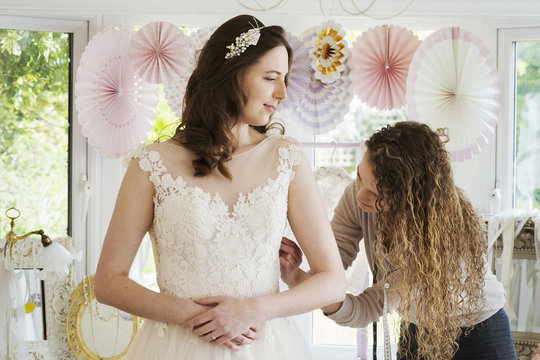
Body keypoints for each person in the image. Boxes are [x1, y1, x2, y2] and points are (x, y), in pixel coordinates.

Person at [94, 14, 345, 360]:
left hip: (265, 348)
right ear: (231, 75)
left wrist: (252, 310)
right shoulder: (151, 164)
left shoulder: (287, 159)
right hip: (174, 348)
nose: (283, 93)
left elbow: (333, 281)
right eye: (271, 78)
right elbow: (108, 282)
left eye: (284, 79)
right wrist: (201, 318)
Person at [280, 121, 517, 360]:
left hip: (480, 333)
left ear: (408, 199)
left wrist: (311, 288)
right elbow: (332, 259)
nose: (360, 195)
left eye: (377, 194)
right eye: (360, 177)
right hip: (417, 328)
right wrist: (298, 277)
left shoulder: (433, 237)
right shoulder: (357, 196)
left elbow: (367, 308)